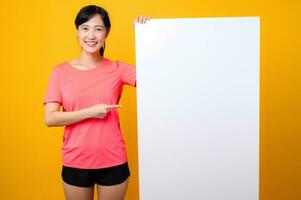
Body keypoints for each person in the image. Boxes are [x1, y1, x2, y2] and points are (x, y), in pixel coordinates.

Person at [43, 5, 150, 200]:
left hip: (113, 160)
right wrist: (91, 112)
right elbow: (50, 118)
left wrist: (147, 36)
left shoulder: (118, 69)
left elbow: (159, 75)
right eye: (85, 28)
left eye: (98, 29)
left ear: (106, 33)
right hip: (75, 161)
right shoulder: (60, 72)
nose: (91, 35)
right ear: (77, 32)